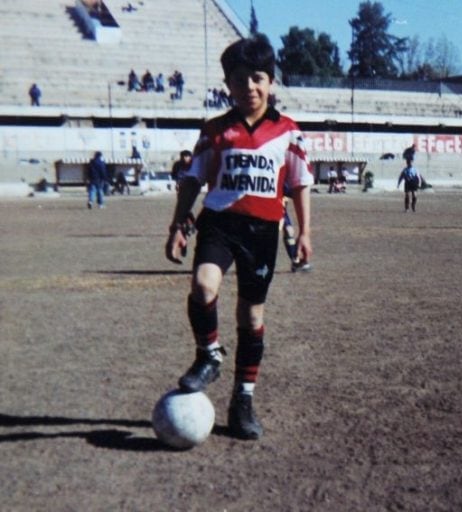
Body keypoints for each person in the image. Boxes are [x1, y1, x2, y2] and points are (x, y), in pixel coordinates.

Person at [164, 35, 314, 440]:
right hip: (219, 224)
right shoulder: (215, 131)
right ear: (227, 85)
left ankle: (242, 400)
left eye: (257, 78)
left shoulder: (289, 132)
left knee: (251, 317)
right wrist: (179, 225)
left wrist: (304, 233)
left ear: (272, 83)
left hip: (264, 232)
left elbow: (299, 186)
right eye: (239, 79)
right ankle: (208, 354)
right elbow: (193, 180)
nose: (249, 87)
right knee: (202, 284)